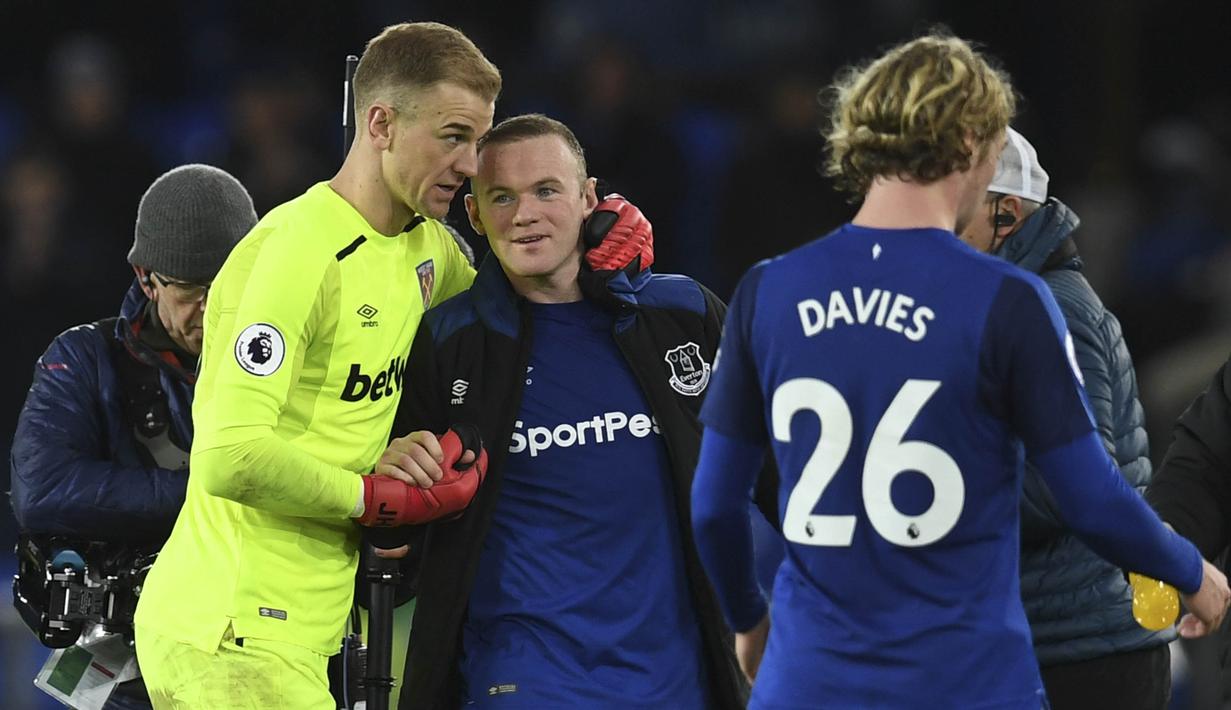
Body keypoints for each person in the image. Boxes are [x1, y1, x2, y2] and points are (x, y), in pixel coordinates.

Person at [689, 32, 1231, 709]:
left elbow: (714, 508)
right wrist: (1189, 571)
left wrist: (748, 620)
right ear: (972, 144)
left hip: (809, 680)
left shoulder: (766, 289)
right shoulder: (1008, 299)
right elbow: (1093, 499)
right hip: (967, 681)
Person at [131, 22, 501, 709]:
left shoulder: (431, 253)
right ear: (381, 123)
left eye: (479, 141)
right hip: (229, 633)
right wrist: (373, 499)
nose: (472, 164)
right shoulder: (296, 252)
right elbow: (231, 456)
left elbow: (510, 316)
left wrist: (593, 242)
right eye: (454, 137)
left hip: (301, 636)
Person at [382, 113, 753, 709]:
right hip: (525, 678)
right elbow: (397, 533)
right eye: (501, 197)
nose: (524, 214)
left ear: (588, 199)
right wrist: (394, 491)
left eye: (546, 191)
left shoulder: (681, 315)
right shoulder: (448, 344)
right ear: (474, 215)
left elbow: (771, 470)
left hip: (676, 681)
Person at [9, 163, 257, 709]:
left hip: (274, 651)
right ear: (146, 277)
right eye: (193, 290)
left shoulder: (292, 363)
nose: (214, 309)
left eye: (231, 286)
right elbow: (42, 489)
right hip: (132, 666)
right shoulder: (83, 359)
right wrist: (212, 495)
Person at [958, 127, 1176, 709]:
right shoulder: (1012, 300)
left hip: (1084, 653)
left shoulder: (1052, 305)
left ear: (1008, 211)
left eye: (959, 213)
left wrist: (942, 493)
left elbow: (1067, 485)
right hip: (1058, 640)